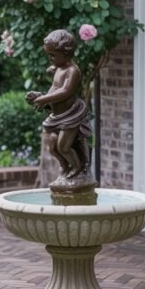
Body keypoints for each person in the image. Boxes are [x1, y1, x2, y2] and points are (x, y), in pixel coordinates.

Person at [26, 29, 92, 181]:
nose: (50, 58)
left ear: (66, 54)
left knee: (63, 146)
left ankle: (78, 169)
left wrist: (44, 99)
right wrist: (41, 96)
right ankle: (66, 167)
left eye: (53, 55)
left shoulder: (72, 71)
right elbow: (54, 88)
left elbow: (65, 91)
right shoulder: (58, 68)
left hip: (70, 116)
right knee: (52, 146)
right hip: (58, 115)